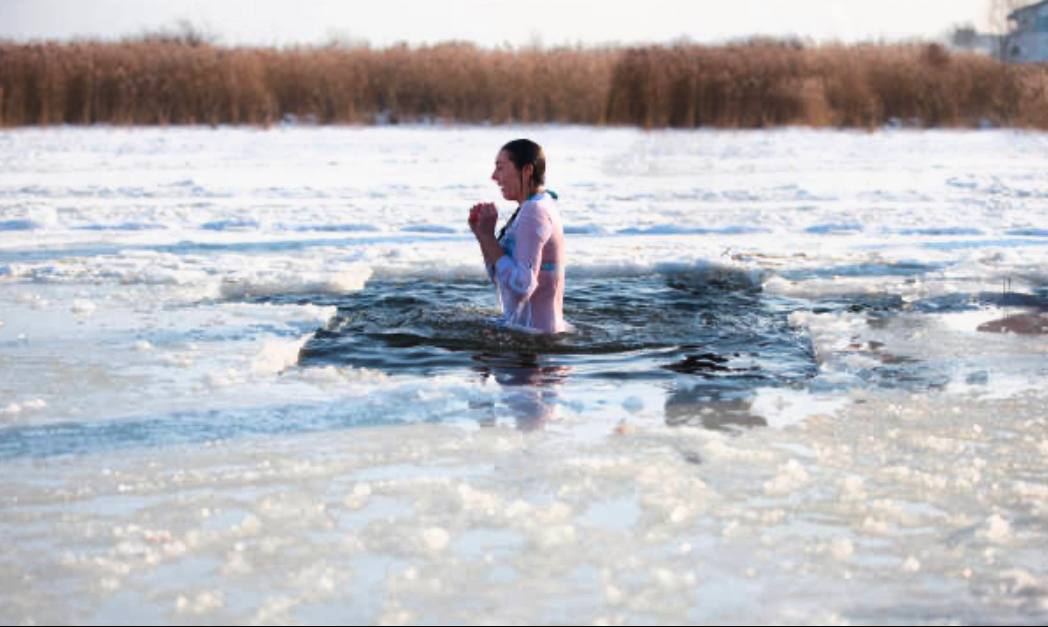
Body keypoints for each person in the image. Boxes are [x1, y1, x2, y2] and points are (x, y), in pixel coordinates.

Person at [469, 139, 568, 334]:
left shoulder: (534, 211)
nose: (494, 177)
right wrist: (482, 235)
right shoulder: (533, 206)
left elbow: (522, 286)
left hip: (536, 344)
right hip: (534, 335)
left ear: (527, 170)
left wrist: (489, 238)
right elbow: (501, 278)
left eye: (501, 168)